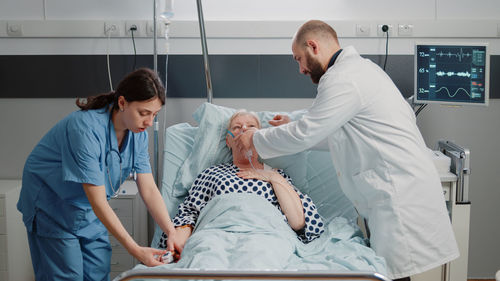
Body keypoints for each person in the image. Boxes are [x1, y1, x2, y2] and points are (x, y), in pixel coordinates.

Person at [234, 20, 459, 280]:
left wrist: (256, 137)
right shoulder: (360, 71)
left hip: (398, 194)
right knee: (393, 274)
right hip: (392, 192)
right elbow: (332, 129)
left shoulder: (343, 78)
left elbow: (308, 133)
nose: (300, 69)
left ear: (313, 46)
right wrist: (291, 123)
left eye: (299, 59)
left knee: (396, 275)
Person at [17, 68, 180, 280]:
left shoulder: (137, 133)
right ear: (122, 103)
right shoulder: (85, 129)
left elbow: (148, 188)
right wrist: (136, 250)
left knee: (97, 272)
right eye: (143, 113)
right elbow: (98, 202)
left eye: (154, 114)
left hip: (86, 209)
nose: (149, 122)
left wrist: (171, 231)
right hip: (52, 206)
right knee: (67, 276)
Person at [158, 110, 324, 253]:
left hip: (266, 238)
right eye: (237, 127)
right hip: (215, 237)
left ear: (262, 137)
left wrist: (272, 177)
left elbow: (297, 221)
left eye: (251, 127)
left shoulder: (278, 176)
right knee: (207, 259)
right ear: (228, 141)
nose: (244, 129)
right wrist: (178, 244)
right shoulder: (211, 173)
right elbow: (189, 214)